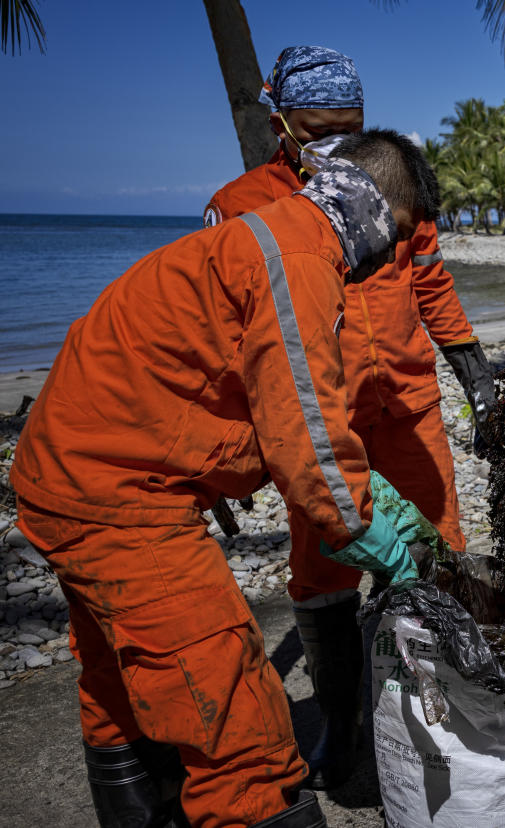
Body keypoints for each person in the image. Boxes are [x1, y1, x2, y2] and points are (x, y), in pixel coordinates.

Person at [10, 130, 438, 827]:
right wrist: (383, 547)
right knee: (240, 728)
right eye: (400, 233)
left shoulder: (270, 236)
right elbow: (308, 443)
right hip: (119, 500)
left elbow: (270, 405)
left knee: (119, 688)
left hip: (69, 470)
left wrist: (375, 495)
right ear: (377, 205)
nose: (393, 255)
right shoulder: (300, 259)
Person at [204, 46, 496, 790]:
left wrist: (470, 362)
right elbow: (224, 332)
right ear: (281, 124)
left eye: (351, 126)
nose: (338, 141)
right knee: (322, 563)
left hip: (404, 400)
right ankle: (343, 725)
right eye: (318, 127)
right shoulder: (242, 204)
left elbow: (429, 279)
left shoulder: (390, 181)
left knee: (442, 543)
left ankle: (443, 709)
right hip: (316, 418)